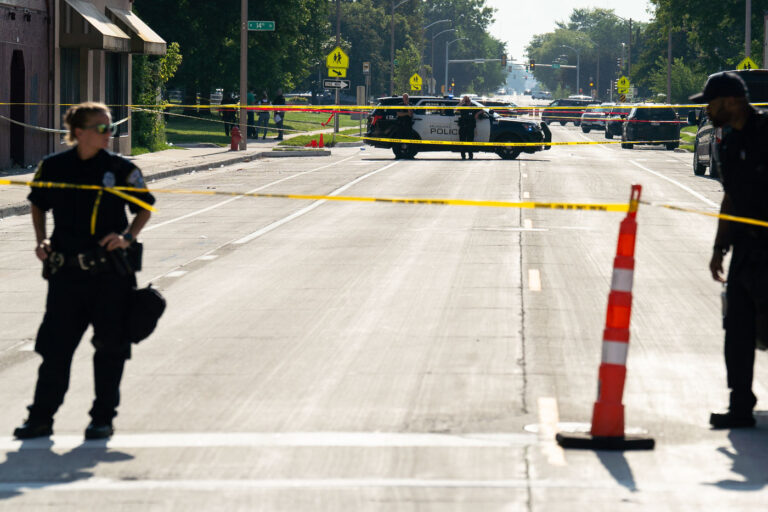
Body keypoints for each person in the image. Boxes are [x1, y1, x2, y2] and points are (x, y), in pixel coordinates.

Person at [13, 102, 155, 440]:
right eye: (102, 128)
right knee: (55, 350)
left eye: (110, 127)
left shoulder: (120, 169)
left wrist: (127, 237)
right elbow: (37, 203)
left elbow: (145, 207)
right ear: (79, 132)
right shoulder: (53, 167)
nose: (109, 134)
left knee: (110, 348)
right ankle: (40, 418)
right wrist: (41, 239)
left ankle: (102, 419)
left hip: (110, 276)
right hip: (66, 277)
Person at [693, 72, 768, 429]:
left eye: (712, 102)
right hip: (744, 252)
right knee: (737, 329)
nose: (707, 109)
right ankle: (740, 406)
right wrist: (719, 248)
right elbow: (730, 198)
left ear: (733, 101)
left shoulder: (766, 133)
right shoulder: (725, 144)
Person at [455, 95, 482, 160]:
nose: (467, 102)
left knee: (470, 142)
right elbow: (455, 109)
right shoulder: (462, 106)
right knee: (462, 142)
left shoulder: (473, 106)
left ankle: (470, 156)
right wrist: (462, 101)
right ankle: (463, 156)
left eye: (468, 100)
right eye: (466, 101)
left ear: (470, 100)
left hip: (470, 126)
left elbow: (482, 110)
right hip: (463, 126)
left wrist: (477, 114)